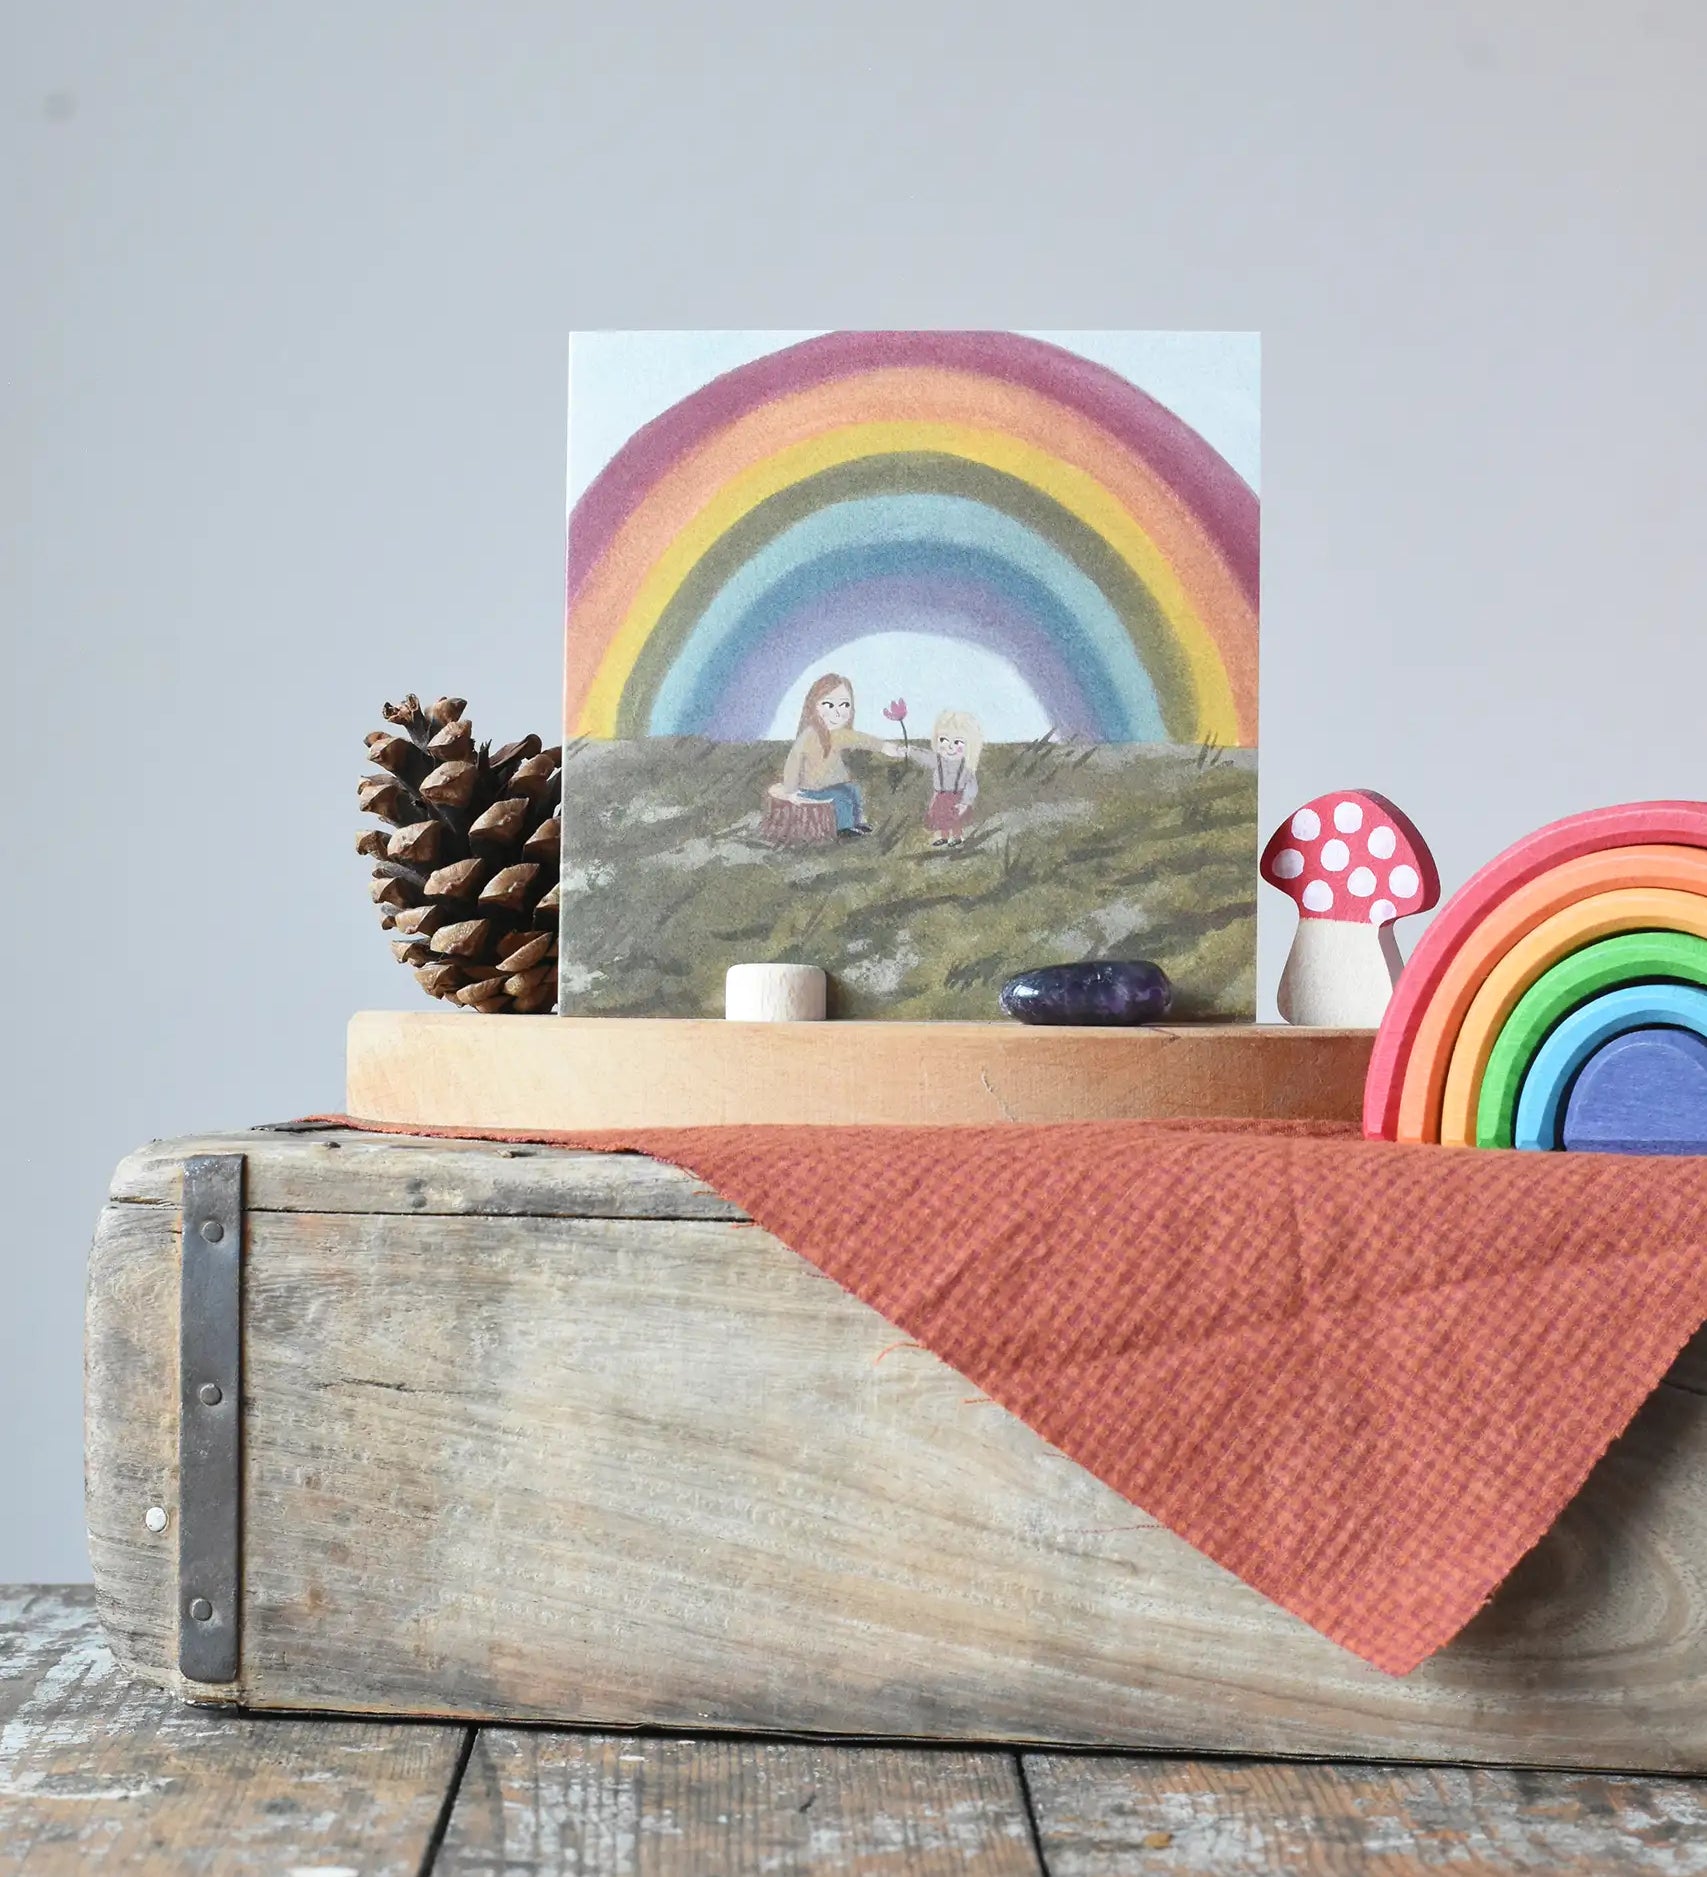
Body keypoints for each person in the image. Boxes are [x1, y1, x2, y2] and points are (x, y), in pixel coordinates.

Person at [773, 673, 900, 837]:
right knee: (840, 797)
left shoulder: (838, 734)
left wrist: (883, 746)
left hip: (832, 784)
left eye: (845, 705)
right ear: (813, 706)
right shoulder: (809, 735)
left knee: (853, 790)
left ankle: (856, 822)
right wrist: (790, 790)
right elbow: (793, 761)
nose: (838, 713)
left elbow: (860, 739)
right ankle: (843, 828)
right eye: (829, 705)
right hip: (811, 790)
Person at [909, 708, 984, 846]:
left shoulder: (966, 767)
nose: (949, 747)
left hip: (957, 796)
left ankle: (957, 836)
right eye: (943, 739)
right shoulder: (937, 760)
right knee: (940, 817)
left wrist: (965, 802)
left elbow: (971, 785)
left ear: (970, 745)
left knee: (955, 819)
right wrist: (909, 751)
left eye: (957, 742)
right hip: (940, 795)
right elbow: (923, 756)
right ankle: (943, 836)